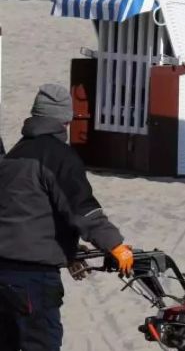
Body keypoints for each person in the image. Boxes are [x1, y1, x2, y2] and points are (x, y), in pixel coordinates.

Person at [0, 84, 133, 351]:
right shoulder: (58, 156)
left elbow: (31, 213)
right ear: (64, 120)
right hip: (33, 280)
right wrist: (115, 245)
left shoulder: (15, 155)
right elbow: (81, 208)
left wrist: (69, 251)